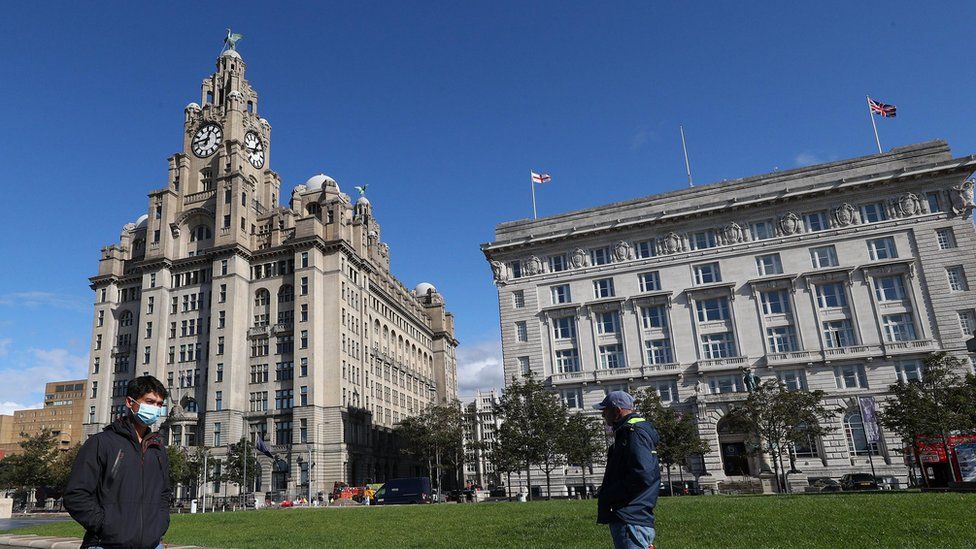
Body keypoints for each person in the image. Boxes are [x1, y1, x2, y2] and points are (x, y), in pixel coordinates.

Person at [64, 376, 171, 549]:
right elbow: (76, 495)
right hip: (106, 544)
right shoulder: (101, 443)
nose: (156, 409)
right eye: (150, 402)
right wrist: (106, 526)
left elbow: (164, 494)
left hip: (152, 545)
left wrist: (159, 526)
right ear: (130, 402)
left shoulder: (158, 449)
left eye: (159, 404)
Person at [595, 390, 660, 549]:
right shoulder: (626, 433)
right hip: (632, 515)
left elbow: (642, 474)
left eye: (606, 410)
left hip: (631, 516)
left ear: (617, 411)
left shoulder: (633, 433)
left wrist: (612, 494)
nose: (603, 415)